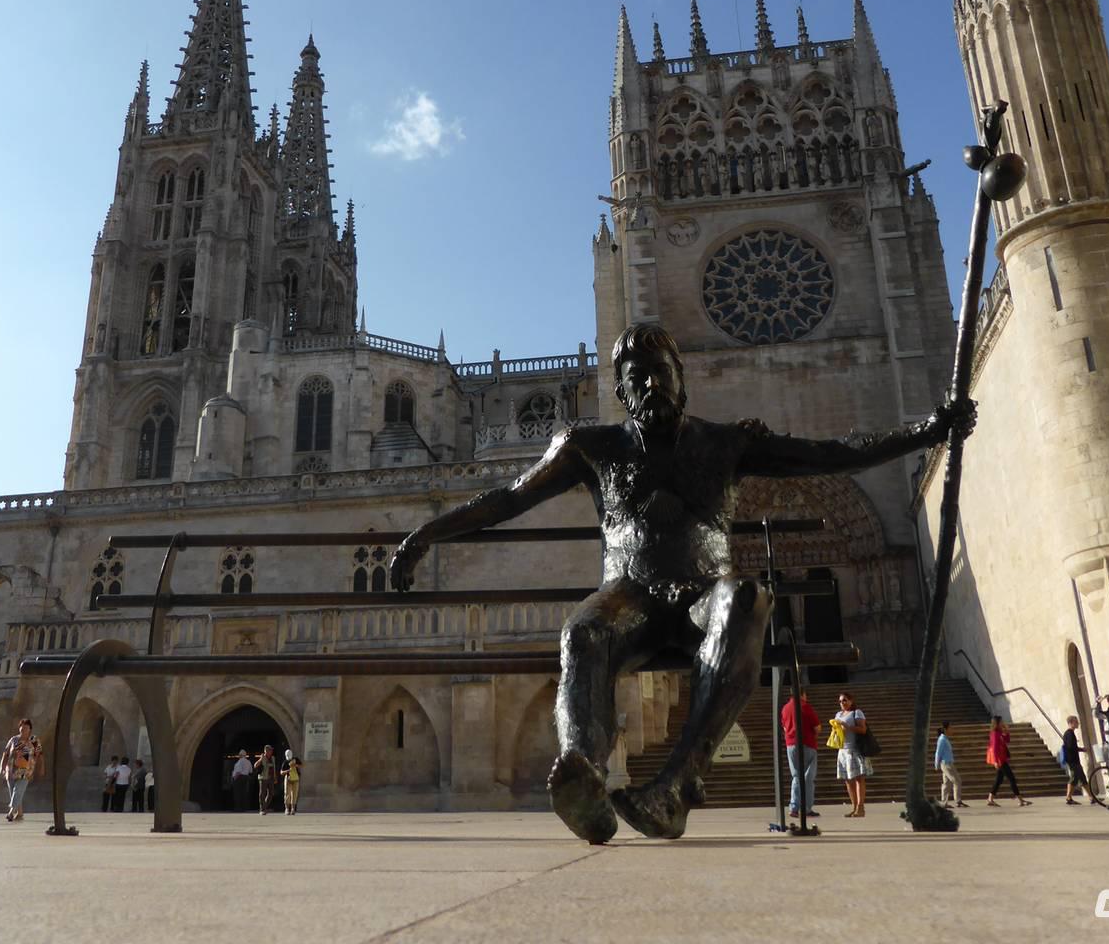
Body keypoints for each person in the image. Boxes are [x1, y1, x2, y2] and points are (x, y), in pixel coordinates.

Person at [388, 322, 971, 843]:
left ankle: (677, 784)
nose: (649, 386)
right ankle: (581, 771)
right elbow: (508, 498)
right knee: (584, 633)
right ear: (619, 392)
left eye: (659, 373)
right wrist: (424, 535)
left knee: (745, 595)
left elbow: (832, 454)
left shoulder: (726, 442)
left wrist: (929, 431)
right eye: (636, 378)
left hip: (702, 593)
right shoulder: (591, 446)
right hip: (630, 595)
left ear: (680, 377)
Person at [779, 690, 820, 819]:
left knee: (796, 775)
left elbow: (784, 727)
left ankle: (794, 806)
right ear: (803, 694)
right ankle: (806, 808)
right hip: (807, 743)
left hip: (791, 744)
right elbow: (817, 727)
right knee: (808, 776)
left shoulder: (785, 708)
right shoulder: (805, 706)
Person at [833, 692, 871, 818]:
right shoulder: (838, 715)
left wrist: (847, 727)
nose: (842, 703)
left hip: (855, 749)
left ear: (851, 701)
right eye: (840, 701)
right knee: (848, 780)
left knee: (859, 779)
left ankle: (861, 807)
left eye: (844, 700)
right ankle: (854, 807)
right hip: (843, 750)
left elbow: (863, 729)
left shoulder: (857, 712)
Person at [0, 718, 42, 822]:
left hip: (26, 770)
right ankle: (20, 813)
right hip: (11, 770)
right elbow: (6, 753)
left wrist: (40, 768)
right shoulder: (13, 739)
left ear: (30, 729)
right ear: (19, 728)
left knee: (18, 791)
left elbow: (39, 755)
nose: (23, 729)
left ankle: (11, 812)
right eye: (22, 727)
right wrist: (2, 767)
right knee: (15, 792)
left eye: (26, 727)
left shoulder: (34, 740)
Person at [984, 716, 1031, 807]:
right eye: (1001, 721)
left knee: (999, 779)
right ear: (997, 723)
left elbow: (1007, 740)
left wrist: (1006, 731)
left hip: (1002, 759)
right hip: (1000, 760)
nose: (1003, 723)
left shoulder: (999, 732)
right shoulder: (994, 733)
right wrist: (995, 761)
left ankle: (990, 798)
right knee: (1011, 779)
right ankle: (1020, 800)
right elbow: (994, 748)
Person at [1060, 716, 1101, 806]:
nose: (1078, 723)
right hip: (1072, 760)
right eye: (1076, 722)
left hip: (1074, 760)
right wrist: (1081, 749)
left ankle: (1091, 797)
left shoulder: (1069, 733)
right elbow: (1071, 747)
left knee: (1082, 779)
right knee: (1074, 778)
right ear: (1071, 723)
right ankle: (1068, 797)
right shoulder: (1069, 733)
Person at [934, 723, 966, 808]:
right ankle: (958, 801)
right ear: (945, 729)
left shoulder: (945, 739)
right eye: (950, 728)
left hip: (948, 763)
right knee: (957, 780)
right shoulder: (942, 740)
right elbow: (938, 752)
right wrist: (936, 764)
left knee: (946, 783)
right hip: (946, 764)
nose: (952, 729)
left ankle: (944, 802)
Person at [254, 745, 280, 815]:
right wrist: (260, 759)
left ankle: (264, 807)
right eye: (270, 750)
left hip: (271, 778)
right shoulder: (263, 757)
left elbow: (274, 767)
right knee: (262, 793)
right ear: (266, 751)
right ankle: (262, 809)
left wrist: (275, 777)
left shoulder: (273, 758)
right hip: (263, 777)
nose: (271, 751)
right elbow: (255, 765)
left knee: (271, 793)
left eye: (271, 750)